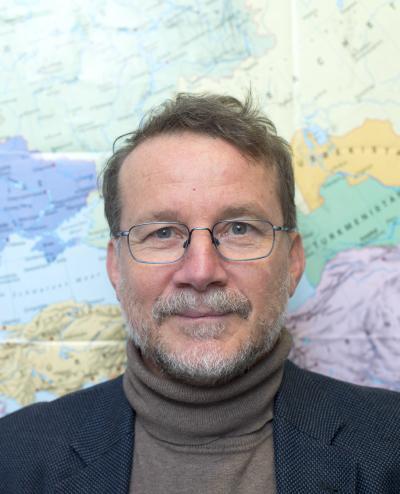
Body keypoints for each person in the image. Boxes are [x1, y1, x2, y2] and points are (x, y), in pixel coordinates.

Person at [1, 93, 399, 494]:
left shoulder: (390, 447)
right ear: (116, 268)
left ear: (293, 261)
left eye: (240, 228)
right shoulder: (14, 458)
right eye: (162, 233)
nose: (201, 271)